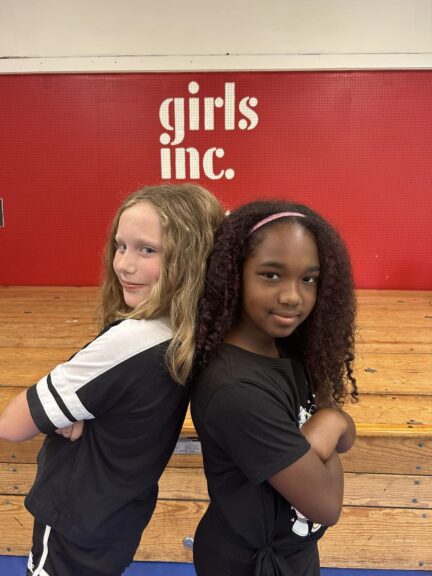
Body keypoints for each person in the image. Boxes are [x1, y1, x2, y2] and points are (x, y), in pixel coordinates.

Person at [0, 184, 224, 576]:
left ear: (191, 258)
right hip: (121, 511)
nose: (124, 264)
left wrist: (68, 410)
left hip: (74, 517)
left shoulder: (131, 342)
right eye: (121, 246)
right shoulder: (189, 330)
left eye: (147, 249)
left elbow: (13, 424)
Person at [191, 200, 358, 576]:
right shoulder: (236, 390)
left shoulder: (287, 348)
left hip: (290, 553)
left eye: (308, 279)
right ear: (235, 276)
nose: (292, 296)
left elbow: (344, 437)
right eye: (271, 275)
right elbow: (326, 505)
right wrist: (330, 423)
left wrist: (331, 423)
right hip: (251, 565)